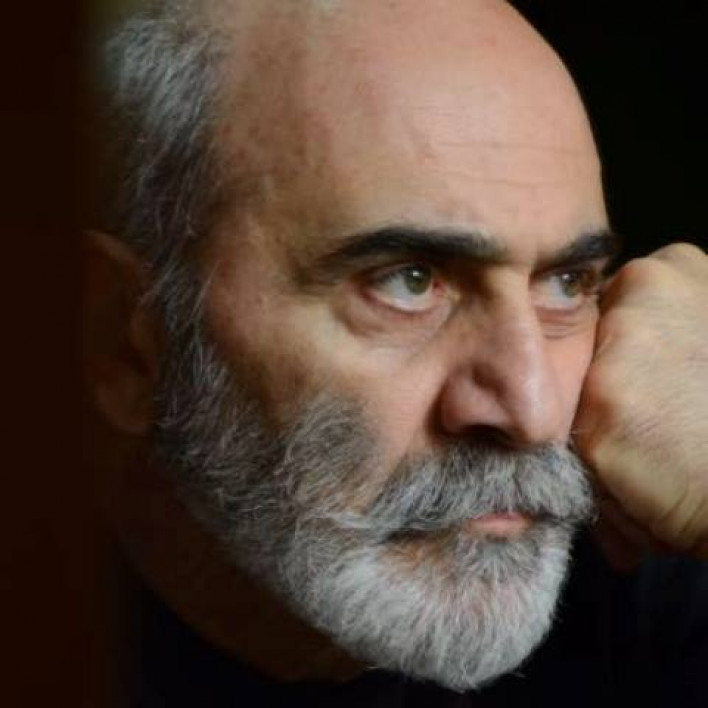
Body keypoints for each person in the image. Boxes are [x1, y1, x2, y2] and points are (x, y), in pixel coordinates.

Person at [84, 0, 708, 705]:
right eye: (408, 281)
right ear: (121, 343)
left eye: (567, 283)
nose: (533, 412)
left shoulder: (656, 558)